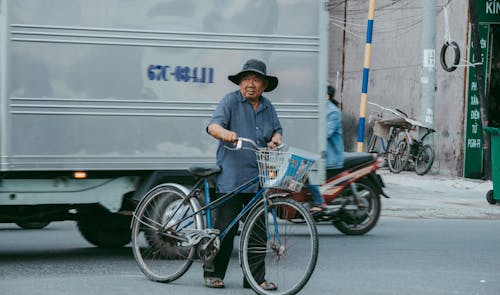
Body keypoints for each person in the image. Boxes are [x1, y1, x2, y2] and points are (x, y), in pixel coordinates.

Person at [204, 59, 282, 290]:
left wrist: (276, 139)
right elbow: (212, 126)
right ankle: (213, 273)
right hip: (232, 177)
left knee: (258, 233)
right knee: (226, 229)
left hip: (259, 178)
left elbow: (276, 130)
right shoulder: (230, 101)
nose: (251, 84)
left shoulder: (268, 107)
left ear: (264, 85)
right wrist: (225, 134)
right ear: (240, 83)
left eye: (256, 80)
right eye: (246, 79)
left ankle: (255, 279)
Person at [309, 85, 345, 214]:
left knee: (308, 171)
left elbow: (324, 134)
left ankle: (319, 202)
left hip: (330, 155)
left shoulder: (332, 111)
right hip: (319, 153)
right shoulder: (320, 109)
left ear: (327, 96)